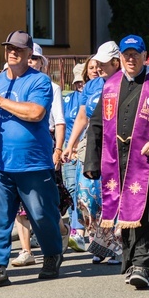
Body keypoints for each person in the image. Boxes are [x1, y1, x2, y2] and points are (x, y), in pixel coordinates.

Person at [84, 35, 149, 289]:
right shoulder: (110, 86)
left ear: (144, 57)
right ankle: (136, 261)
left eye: (135, 54)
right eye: (126, 54)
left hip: (148, 163)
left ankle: (143, 264)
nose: (131, 59)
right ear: (120, 58)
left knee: (148, 214)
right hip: (116, 161)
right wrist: (92, 162)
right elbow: (96, 124)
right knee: (125, 214)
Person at [0, 31, 63, 288]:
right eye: (9, 48)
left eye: (19, 49)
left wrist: (1, 102)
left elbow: (36, 113)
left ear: (29, 54)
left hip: (33, 163)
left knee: (42, 214)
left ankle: (52, 254)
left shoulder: (39, 82)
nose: (13, 52)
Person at [62, 42, 123, 264]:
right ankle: (98, 240)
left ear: (116, 63)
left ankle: (115, 243)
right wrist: (70, 144)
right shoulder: (92, 86)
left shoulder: (125, 82)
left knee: (113, 194)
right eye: (97, 62)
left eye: (103, 62)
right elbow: (82, 117)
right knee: (87, 194)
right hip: (92, 142)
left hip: (117, 143)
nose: (97, 66)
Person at [11, 43, 69, 266]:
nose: (32, 61)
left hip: (45, 143)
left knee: (45, 204)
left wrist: (58, 149)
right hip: (18, 150)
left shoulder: (49, 86)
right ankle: (26, 250)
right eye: (30, 57)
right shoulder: (12, 84)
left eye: (36, 58)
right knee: (20, 206)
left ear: (41, 62)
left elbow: (60, 121)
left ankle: (61, 229)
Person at [63, 63, 87, 252]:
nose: (81, 85)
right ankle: (76, 227)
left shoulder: (93, 96)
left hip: (88, 149)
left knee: (84, 191)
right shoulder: (68, 100)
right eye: (78, 82)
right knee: (72, 189)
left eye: (83, 81)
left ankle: (79, 228)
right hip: (70, 149)